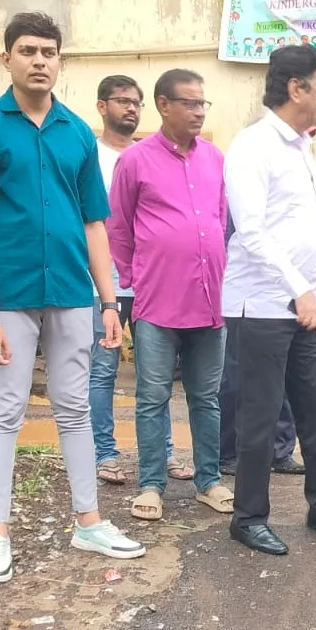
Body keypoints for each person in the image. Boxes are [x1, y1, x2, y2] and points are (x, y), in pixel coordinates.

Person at [0, 12, 146, 584]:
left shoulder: (76, 134)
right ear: (8, 58)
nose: (39, 60)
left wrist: (109, 303)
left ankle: (89, 522)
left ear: (60, 60)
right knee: (5, 411)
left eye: (48, 51)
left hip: (70, 291)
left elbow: (94, 225)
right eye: (27, 50)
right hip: (10, 296)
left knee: (75, 407)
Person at [223, 45, 316, 556]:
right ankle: (249, 517)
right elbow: (251, 231)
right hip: (263, 306)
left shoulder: (304, 148)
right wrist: (300, 289)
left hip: (305, 307)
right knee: (259, 417)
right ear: (296, 88)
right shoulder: (253, 146)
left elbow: (309, 227)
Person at [108, 68, 233, 524]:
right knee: (152, 397)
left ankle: (208, 481)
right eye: (190, 103)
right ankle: (151, 484)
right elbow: (118, 228)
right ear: (164, 105)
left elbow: (221, 220)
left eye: (203, 104)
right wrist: (135, 278)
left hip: (209, 302)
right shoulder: (135, 161)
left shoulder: (215, 159)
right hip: (157, 303)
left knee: (207, 397)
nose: (199, 112)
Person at [90, 75, 183, 489]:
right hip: (101, 284)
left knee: (154, 376)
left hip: (149, 284)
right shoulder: (89, 155)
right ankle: (105, 454)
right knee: (102, 372)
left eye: (137, 102)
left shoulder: (151, 155)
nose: (131, 108)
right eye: (122, 101)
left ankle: (162, 453)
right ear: (102, 106)